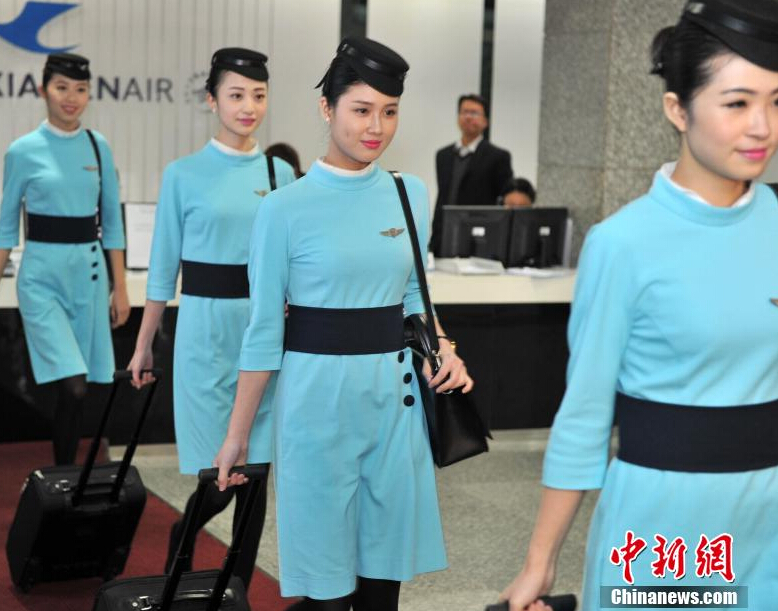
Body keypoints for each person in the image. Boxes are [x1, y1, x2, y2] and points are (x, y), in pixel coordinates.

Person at [499, 2, 778, 609]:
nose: (762, 126)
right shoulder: (623, 244)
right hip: (666, 529)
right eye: (737, 103)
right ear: (678, 109)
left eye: (775, 101)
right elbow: (584, 415)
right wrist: (539, 564)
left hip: (770, 516)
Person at [213, 37, 474, 611]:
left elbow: (413, 293)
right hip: (315, 409)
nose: (376, 126)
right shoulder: (283, 209)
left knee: (383, 589)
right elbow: (263, 331)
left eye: (389, 111)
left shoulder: (410, 193)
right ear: (327, 109)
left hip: (395, 406)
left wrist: (444, 348)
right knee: (329, 592)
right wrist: (237, 435)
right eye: (361, 109)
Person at [127, 48, 296, 590]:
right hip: (203, 339)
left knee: (257, 477)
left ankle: (237, 592)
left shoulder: (280, 171)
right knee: (218, 477)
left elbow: (295, 258)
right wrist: (144, 344)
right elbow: (162, 270)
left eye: (259, 95)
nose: (249, 106)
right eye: (236, 94)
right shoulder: (183, 174)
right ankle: (185, 540)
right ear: (212, 100)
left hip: (265, 337)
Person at [0, 53, 129, 466]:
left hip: (90, 281)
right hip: (41, 281)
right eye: (61, 88)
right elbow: (5, 227)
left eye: (80, 89)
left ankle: (64, 481)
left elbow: (111, 222)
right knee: (73, 385)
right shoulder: (23, 151)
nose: (71, 98)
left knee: (80, 389)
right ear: (43, 90)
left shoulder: (99, 147)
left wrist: (121, 288)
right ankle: (63, 477)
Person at [430, 93, 513, 255]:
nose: (468, 117)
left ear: (485, 121)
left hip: (478, 237)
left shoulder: (498, 157)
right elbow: (443, 196)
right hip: (444, 235)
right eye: (464, 112)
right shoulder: (443, 155)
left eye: (474, 113)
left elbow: (504, 201)